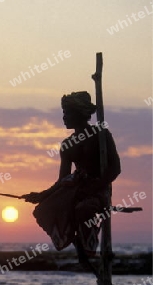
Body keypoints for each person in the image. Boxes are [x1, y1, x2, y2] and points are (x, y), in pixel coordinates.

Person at [22, 91, 121, 259]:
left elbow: (115, 168)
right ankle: (73, 238)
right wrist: (42, 195)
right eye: (63, 112)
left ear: (80, 113)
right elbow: (62, 179)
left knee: (84, 209)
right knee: (43, 210)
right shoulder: (67, 144)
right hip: (75, 188)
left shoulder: (101, 135)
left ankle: (88, 247)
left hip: (99, 190)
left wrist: (95, 186)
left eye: (68, 112)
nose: (64, 117)